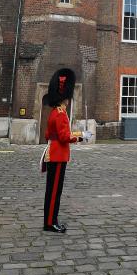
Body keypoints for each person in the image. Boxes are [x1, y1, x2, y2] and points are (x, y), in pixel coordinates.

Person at [42, 68, 84, 233]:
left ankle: (50, 220)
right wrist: (81, 136)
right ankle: (51, 222)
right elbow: (65, 137)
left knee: (52, 190)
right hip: (58, 156)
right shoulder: (60, 113)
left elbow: (49, 134)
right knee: (54, 192)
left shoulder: (55, 112)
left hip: (54, 153)